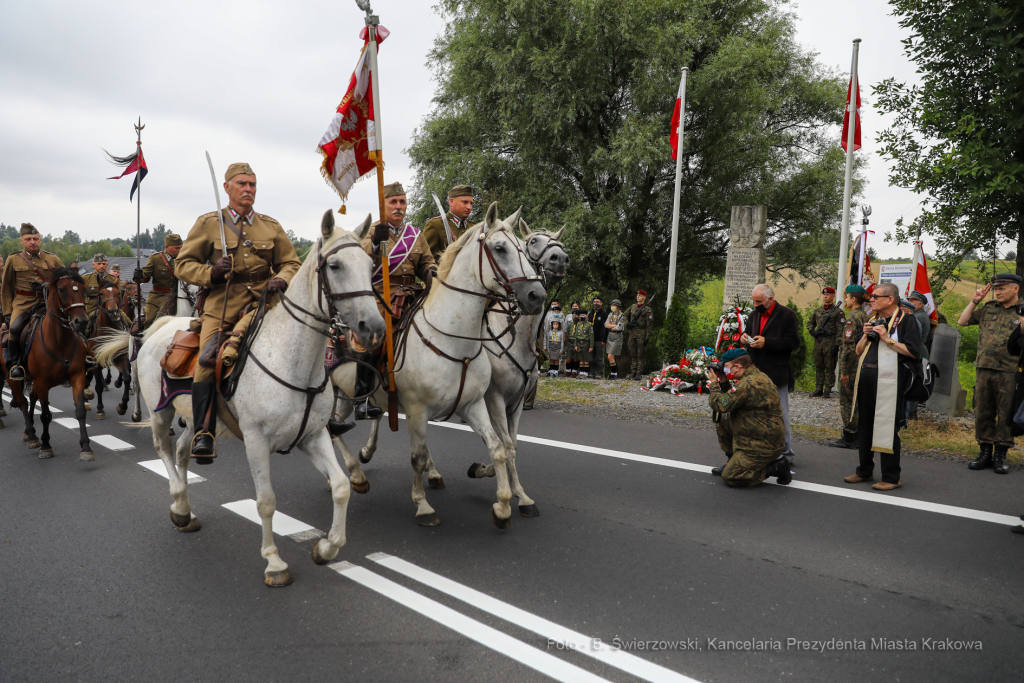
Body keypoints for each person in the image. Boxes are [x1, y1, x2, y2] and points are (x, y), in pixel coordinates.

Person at [175, 162, 301, 459]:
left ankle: (319, 416)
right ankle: (203, 431)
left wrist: (282, 278)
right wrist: (212, 272)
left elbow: (292, 262)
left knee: (308, 342)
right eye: (242, 183)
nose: (248, 189)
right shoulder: (208, 223)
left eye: (252, 184)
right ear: (227, 187)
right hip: (223, 302)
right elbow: (183, 264)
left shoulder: (270, 225)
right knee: (207, 359)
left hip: (266, 301)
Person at [359, 181, 437, 418]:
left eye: (402, 202)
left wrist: (432, 273)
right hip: (380, 296)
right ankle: (361, 397)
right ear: (383, 205)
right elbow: (358, 260)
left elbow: (427, 263)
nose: (398, 206)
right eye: (393, 202)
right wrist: (374, 244)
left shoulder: (416, 235)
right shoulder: (371, 232)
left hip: (413, 294)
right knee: (375, 335)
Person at [843, 282, 923, 491]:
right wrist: (866, 334)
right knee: (865, 425)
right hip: (868, 379)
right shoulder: (872, 319)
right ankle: (864, 470)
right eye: (871, 296)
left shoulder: (907, 321)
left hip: (891, 381)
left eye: (876, 296)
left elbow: (914, 352)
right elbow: (859, 350)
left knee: (887, 426)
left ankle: (891, 476)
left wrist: (887, 339)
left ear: (890, 299)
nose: (871, 299)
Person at [958, 273, 1023, 475]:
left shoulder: (1021, 310)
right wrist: (975, 300)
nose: (998, 291)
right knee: (983, 410)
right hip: (984, 368)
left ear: (1016, 288)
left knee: (1005, 414)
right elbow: (963, 321)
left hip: (1010, 370)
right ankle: (984, 452)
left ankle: (1001, 454)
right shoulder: (989, 307)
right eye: (996, 288)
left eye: (1003, 288)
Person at [707, 348, 792, 486]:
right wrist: (723, 379)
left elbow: (721, 404)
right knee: (723, 420)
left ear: (737, 366)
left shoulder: (748, 383)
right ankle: (734, 460)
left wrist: (713, 384)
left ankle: (775, 467)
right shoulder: (754, 376)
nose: (725, 369)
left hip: (763, 444)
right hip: (759, 434)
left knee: (730, 477)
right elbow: (732, 399)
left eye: (726, 366)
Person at [741, 283, 799, 461]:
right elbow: (749, 334)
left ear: (770, 299)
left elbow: (793, 343)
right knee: (755, 413)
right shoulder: (753, 314)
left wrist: (768, 342)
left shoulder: (787, 315)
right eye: (753, 301)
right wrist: (744, 338)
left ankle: (785, 453)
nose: (755, 305)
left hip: (777, 373)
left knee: (780, 414)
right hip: (756, 372)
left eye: (758, 301)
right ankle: (761, 449)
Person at [1, 223, 66, 380]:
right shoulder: (13, 259)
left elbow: (66, 279)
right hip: (23, 303)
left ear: (40, 240)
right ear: (21, 241)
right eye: (28, 239)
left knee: (72, 325)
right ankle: (17, 365)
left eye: (35, 239)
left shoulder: (52, 258)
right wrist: (8, 313)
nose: (32, 242)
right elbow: (7, 288)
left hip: (48, 302)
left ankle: (79, 359)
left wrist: (49, 284)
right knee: (15, 329)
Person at [829, 285, 869, 449]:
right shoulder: (865, 316)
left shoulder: (852, 318)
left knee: (847, 401)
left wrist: (844, 371)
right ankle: (858, 435)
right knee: (857, 400)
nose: (845, 300)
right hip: (861, 365)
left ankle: (849, 436)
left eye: (847, 297)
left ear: (853, 299)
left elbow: (848, 346)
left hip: (852, 366)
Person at [136, 233, 183, 328]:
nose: (180, 250)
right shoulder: (155, 258)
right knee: (149, 321)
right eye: (177, 248)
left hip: (180, 296)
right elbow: (145, 276)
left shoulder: (184, 259)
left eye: (181, 247)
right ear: (167, 247)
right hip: (159, 296)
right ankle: (143, 341)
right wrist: (140, 276)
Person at [422, 185, 474, 262]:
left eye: (471, 203)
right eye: (465, 202)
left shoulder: (473, 227)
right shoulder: (436, 224)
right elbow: (424, 258)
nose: (469, 207)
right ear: (451, 202)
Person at [807, 286, 842, 398]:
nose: (825, 296)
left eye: (828, 294)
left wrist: (837, 345)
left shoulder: (838, 312)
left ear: (833, 296)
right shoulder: (818, 311)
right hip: (819, 342)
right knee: (819, 366)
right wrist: (812, 331)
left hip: (831, 342)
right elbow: (810, 322)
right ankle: (819, 389)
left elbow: (840, 330)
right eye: (824, 294)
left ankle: (827, 389)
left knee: (830, 367)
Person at [625, 289, 654, 379]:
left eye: (640, 295)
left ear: (644, 298)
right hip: (632, 333)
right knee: (633, 353)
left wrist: (647, 337)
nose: (638, 297)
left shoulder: (647, 309)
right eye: (637, 295)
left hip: (642, 333)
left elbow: (649, 324)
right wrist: (627, 323)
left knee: (640, 354)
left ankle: (639, 372)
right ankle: (633, 372)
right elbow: (624, 315)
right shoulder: (632, 307)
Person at [83, 254, 119, 318]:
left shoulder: (114, 279)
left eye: (104, 264)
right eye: (99, 264)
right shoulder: (85, 278)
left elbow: (119, 296)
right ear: (93, 265)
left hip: (110, 307)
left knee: (126, 320)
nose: (102, 266)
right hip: (91, 308)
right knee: (85, 325)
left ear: (107, 265)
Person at [565, 306, 594, 378]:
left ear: (586, 316)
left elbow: (591, 336)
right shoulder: (578, 324)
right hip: (578, 343)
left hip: (586, 343)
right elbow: (575, 336)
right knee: (580, 358)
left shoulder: (589, 325)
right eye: (580, 316)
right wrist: (575, 345)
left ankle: (586, 373)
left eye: (583, 315)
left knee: (586, 358)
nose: (582, 317)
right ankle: (581, 372)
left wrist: (591, 346)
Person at [587, 297, 608, 379]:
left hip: (600, 339)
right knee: (591, 357)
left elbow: (606, 328)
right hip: (591, 340)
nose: (596, 303)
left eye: (598, 302)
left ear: (601, 303)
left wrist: (604, 340)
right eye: (594, 302)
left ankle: (600, 373)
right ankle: (592, 372)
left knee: (599, 357)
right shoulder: (590, 313)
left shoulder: (604, 314)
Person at [604, 299, 625, 379]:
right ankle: (613, 374)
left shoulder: (622, 316)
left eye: (614, 305)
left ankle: (614, 373)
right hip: (610, 336)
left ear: (618, 307)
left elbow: (619, 328)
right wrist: (614, 325)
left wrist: (611, 325)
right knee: (611, 357)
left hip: (617, 336)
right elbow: (606, 325)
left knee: (610, 356)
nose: (612, 307)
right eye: (611, 305)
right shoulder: (610, 314)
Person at [547, 300, 566, 376]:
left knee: (557, 360)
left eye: (556, 324)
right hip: (551, 346)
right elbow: (548, 341)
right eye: (554, 324)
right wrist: (548, 349)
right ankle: (551, 371)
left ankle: (555, 371)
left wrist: (561, 350)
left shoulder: (561, 332)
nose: (555, 325)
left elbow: (562, 341)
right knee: (551, 360)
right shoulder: (549, 332)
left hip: (558, 346)